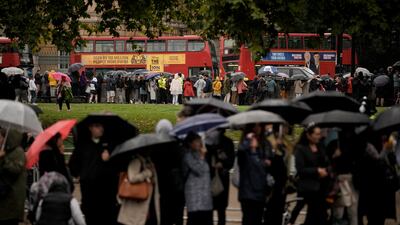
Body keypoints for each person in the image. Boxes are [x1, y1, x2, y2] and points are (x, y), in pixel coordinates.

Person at [68, 123, 120, 225]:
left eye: (101, 126)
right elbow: (73, 165)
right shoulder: (84, 145)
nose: (100, 128)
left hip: (108, 195)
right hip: (90, 194)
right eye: (97, 126)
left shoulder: (110, 145)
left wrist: (110, 159)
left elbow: (118, 166)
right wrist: (80, 175)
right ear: (90, 128)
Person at [293, 125, 330, 225]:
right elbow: (301, 169)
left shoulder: (320, 146)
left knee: (321, 215)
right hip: (308, 187)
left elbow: (325, 162)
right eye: (316, 134)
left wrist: (326, 170)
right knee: (304, 209)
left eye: (320, 134)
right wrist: (316, 170)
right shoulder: (301, 149)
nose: (319, 136)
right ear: (309, 135)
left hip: (321, 186)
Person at [237, 124, 273, 225]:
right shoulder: (244, 145)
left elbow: (267, 164)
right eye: (254, 126)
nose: (256, 129)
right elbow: (240, 158)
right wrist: (248, 145)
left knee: (257, 218)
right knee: (248, 218)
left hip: (260, 189)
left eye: (259, 126)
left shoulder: (265, 144)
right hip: (247, 190)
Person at [117, 154, 160, 225]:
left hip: (145, 202)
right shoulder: (136, 161)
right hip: (137, 202)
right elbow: (132, 178)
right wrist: (147, 173)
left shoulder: (148, 161)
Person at [205, 129, 235, 225]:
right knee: (219, 210)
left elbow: (231, 160)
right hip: (218, 177)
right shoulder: (227, 142)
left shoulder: (209, 142)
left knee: (217, 209)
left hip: (218, 177)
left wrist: (222, 164)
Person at [183, 132, 213, 225]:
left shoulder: (202, 154)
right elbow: (198, 170)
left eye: (199, 141)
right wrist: (202, 156)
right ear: (190, 143)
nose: (199, 143)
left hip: (206, 197)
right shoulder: (188, 156)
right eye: (196, 141)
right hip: (194, 199)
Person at [0, 129, 27, 225]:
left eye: (1, 137)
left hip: (12, 198)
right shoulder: (4, 151)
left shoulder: (18, 152)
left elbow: (15, 169)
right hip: (4, 197)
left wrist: (3, 159)